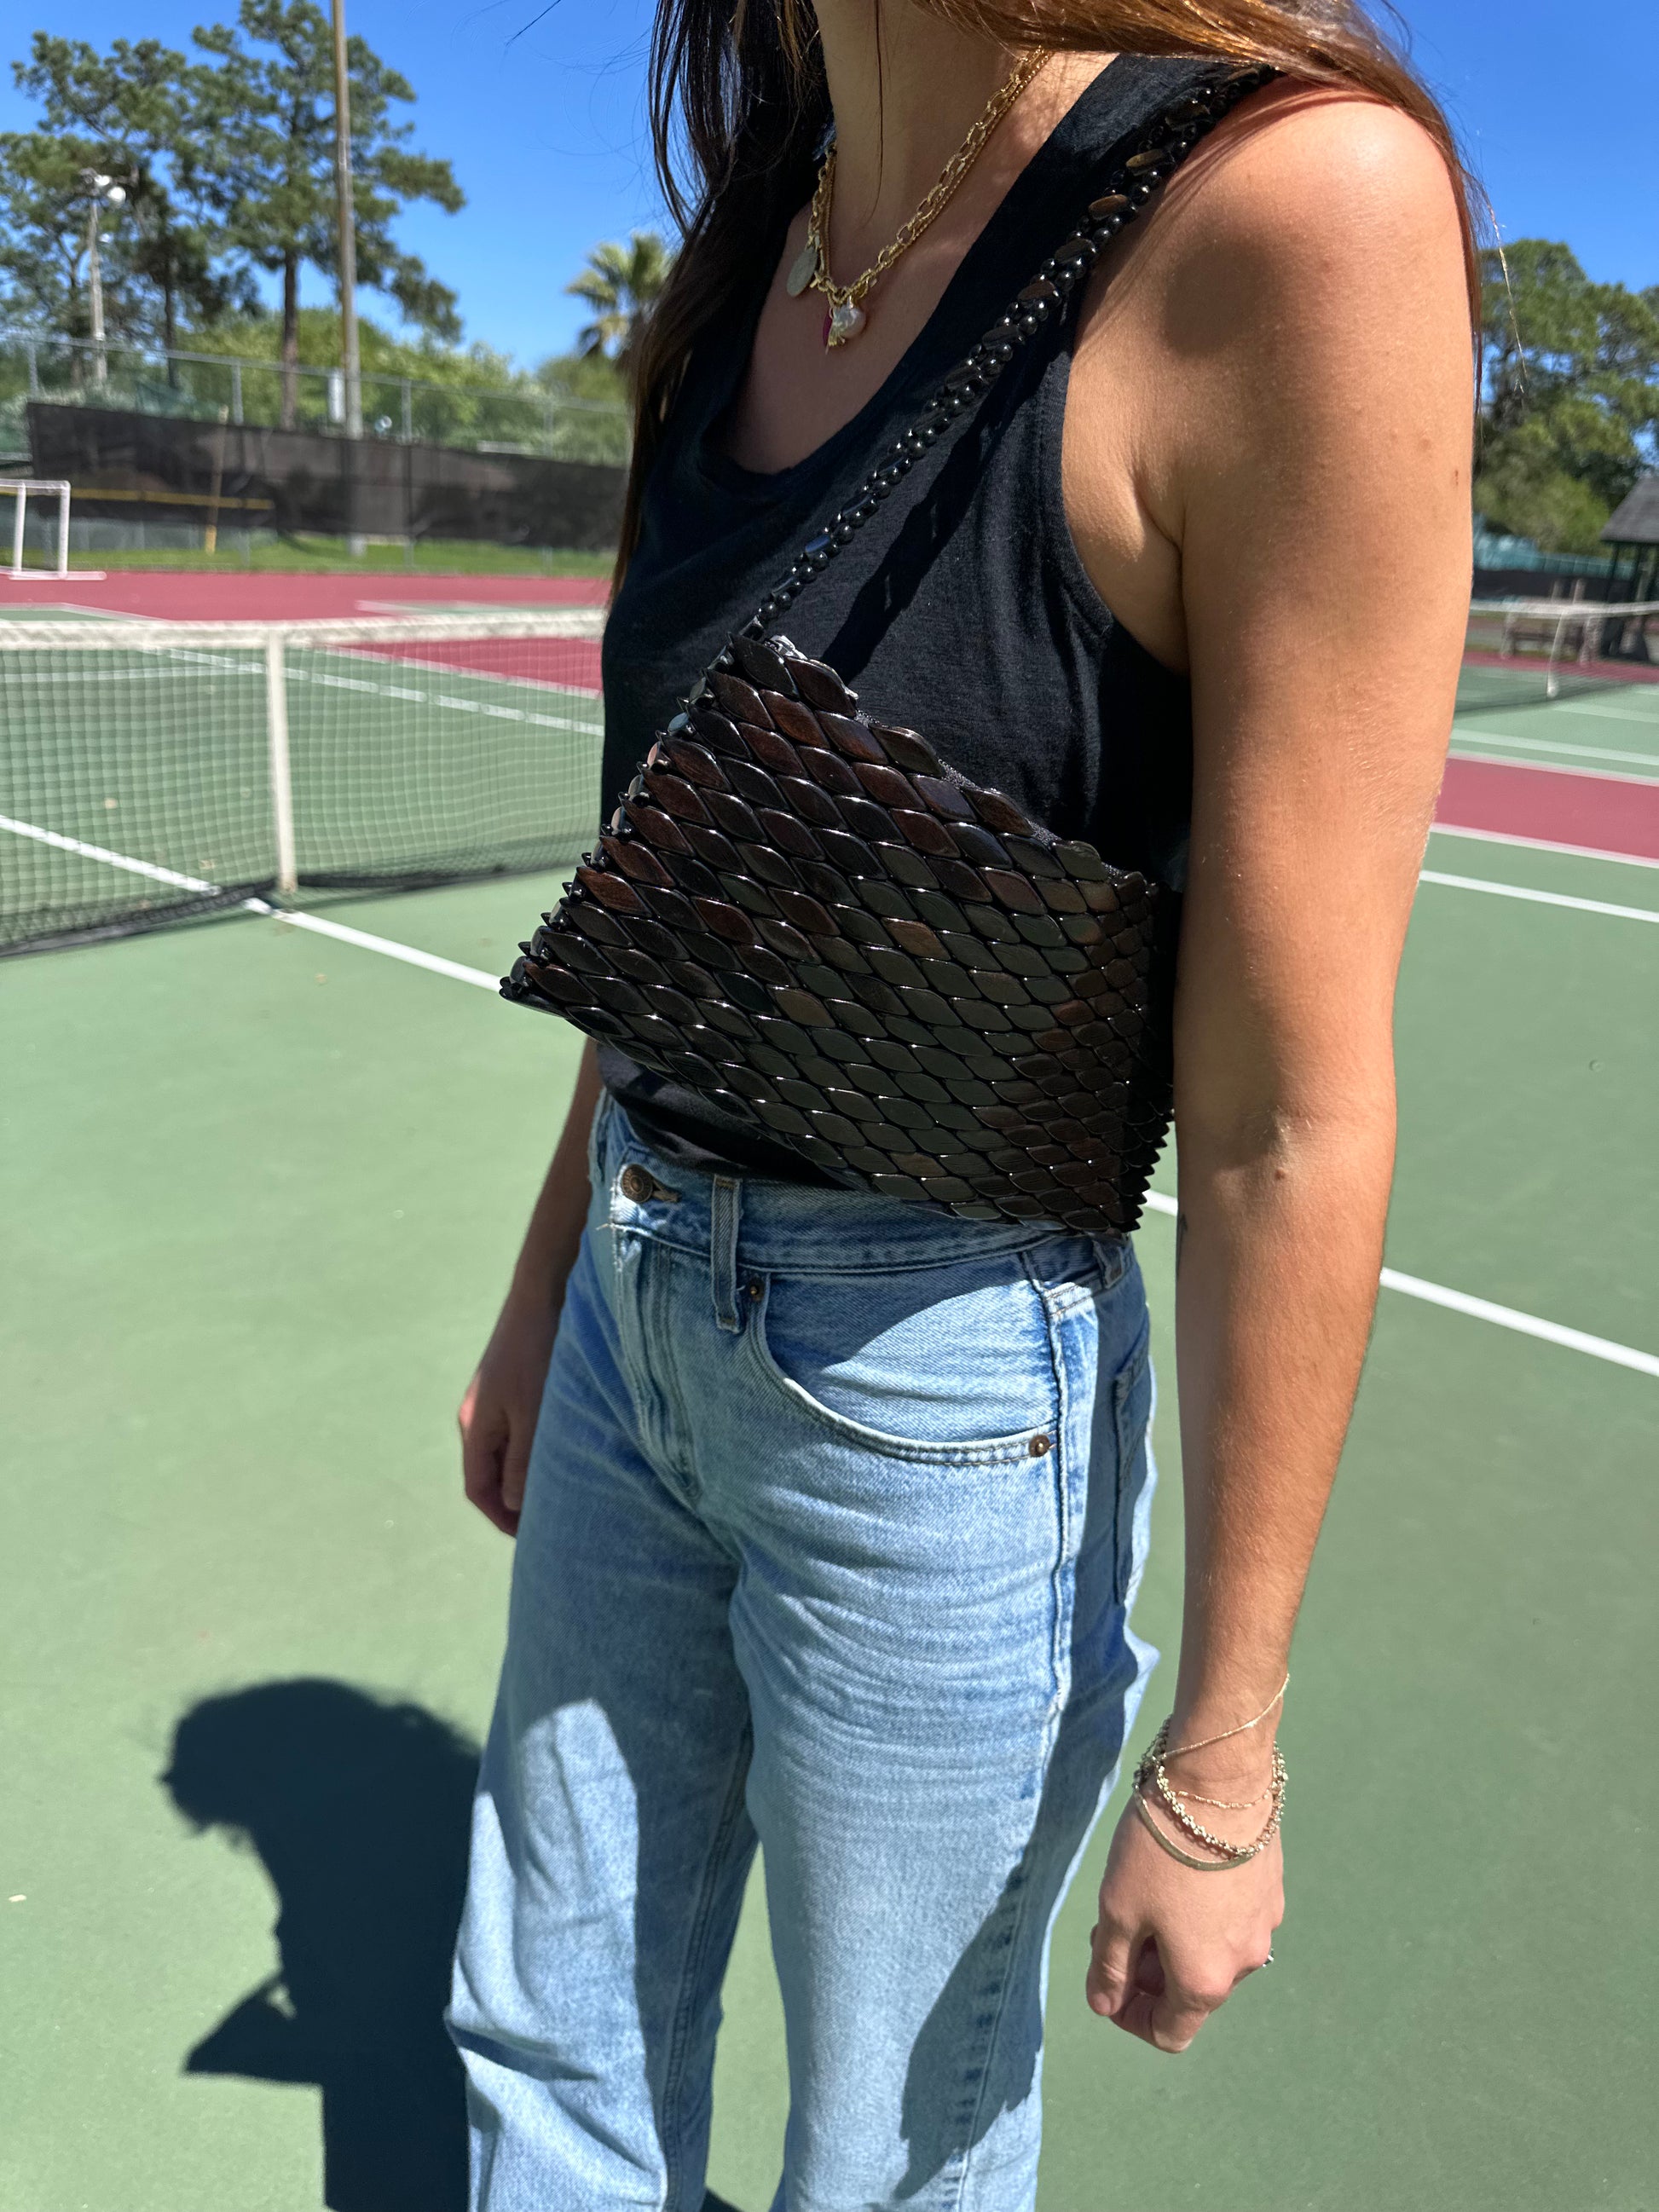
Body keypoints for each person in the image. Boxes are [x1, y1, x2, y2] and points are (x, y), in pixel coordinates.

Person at [448, 2, 1475, 2204]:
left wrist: (1220, 1748)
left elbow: (1291, 1103)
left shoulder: (1287, 210)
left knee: (888, 2163)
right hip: (641, 1305)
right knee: (543, 2055)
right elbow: (677, 873)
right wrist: (553, 1281)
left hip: (937, 1391)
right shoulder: (747, 249)